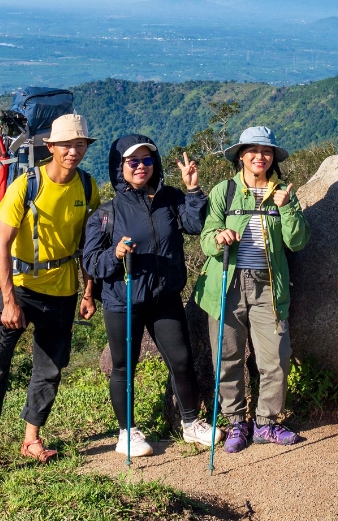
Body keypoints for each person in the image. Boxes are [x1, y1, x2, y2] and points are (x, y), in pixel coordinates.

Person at [0, 112, 101, 463]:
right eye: (67, 144)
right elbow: (2, 243)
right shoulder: (27, 184)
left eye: (80, 144)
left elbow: (89, 243)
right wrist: (8, 301)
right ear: (50, 147)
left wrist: (88, 291)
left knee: (50, 368)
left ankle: (32, 440)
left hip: (62, 289)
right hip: (21, 288)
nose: (74, 151)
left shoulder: (87, 186)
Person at [81, 134, 219, 454]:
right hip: (123, 300)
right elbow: (91, 263)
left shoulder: (169, 198)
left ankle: (190, 424)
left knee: (181, 361)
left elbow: (195, 224)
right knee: (124, 368)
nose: (141, 166)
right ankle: (127, 433)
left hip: (163, 296)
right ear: (120, 167)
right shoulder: (107, 213)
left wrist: (193, 189)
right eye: (133, 161)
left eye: (147, 160)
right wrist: (115, 254)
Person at [193, 124, 311, 452]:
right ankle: (235, 423)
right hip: (227, 282)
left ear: (273, 157)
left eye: (267, 151)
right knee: (227, 357)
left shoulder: (284, 191)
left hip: (268, 286)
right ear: (241, 156)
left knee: (275, 358)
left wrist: (286, 207)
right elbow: (206, 239)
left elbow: (298, 241)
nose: (260, 156)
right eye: (253, 151)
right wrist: (219, 238)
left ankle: (267, 423)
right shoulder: (224, 192)